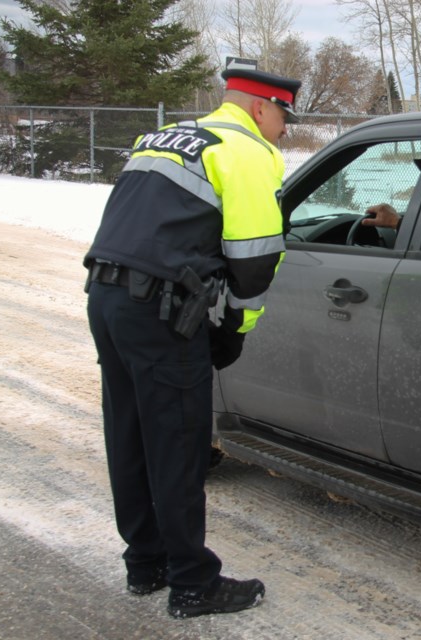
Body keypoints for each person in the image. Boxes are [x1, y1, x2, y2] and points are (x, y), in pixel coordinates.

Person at [84, 68, 300, 619]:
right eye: (282, 118)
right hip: (159, 313)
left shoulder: (161, 137)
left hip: (107, 298)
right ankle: (192, 583)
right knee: (178, 443)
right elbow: (254, 262)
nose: (284, 132)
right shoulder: (247, 151)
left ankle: (145, 563)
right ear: (259, 109)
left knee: (129, 431)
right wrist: (234, 331)